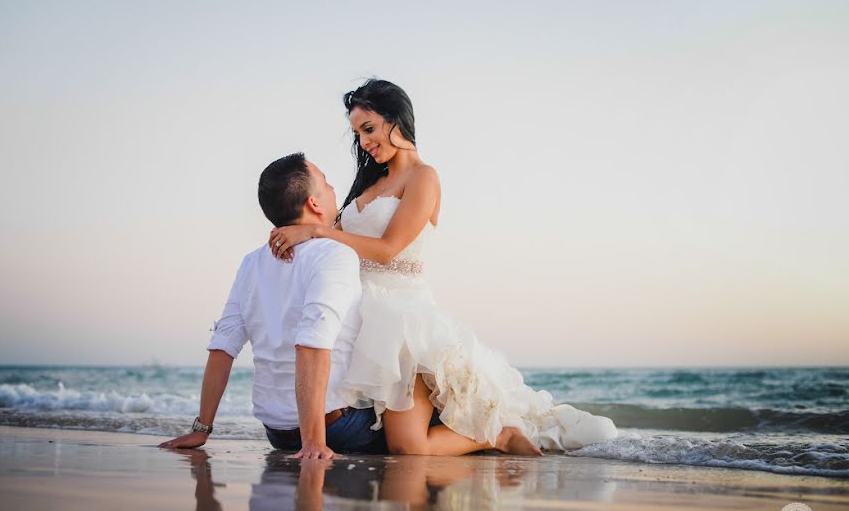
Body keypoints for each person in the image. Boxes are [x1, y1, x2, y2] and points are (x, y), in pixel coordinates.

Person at [268, 79, 619, 456]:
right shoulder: (369, 183)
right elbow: (334, 244)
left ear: (396, 120)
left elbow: (387, 250)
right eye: (358, 134)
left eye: (369, 129)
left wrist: (318, 231)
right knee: (379, 441)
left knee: (407, 447)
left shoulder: (424, 177)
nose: (365, 142)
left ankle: (499, 435)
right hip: (359, 320)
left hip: (401, 323)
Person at [159, 153, 387, 458]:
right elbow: (311, 343)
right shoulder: (335, 254)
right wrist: (314, 443)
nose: (335, 190)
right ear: (314, 204)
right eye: (327, 184)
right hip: (334, 429)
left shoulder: (251, 262)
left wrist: (201, 429)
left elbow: (223, 344)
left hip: (277, 434)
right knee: (430, 410)